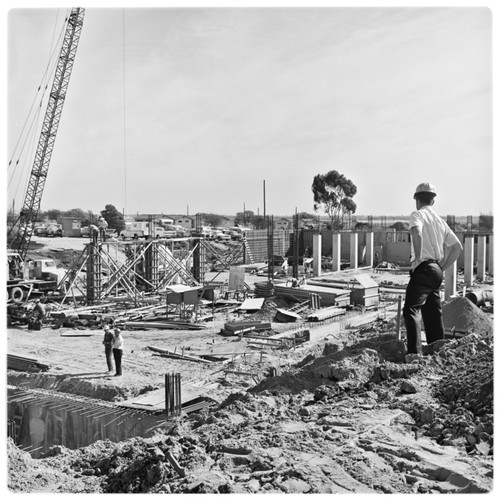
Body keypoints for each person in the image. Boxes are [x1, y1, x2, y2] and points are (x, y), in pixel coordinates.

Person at [403, 182, 463, 355]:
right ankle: (438, 350)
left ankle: (414, 354)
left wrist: (418, 261)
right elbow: (457, 247)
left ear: (416, 199)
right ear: (433, 201)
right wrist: (442, 267)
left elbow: (417, 233)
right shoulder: (440, 221)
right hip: (436, 270)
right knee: (432, 313)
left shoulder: (417, 214)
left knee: (411, 309)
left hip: (424, 268)